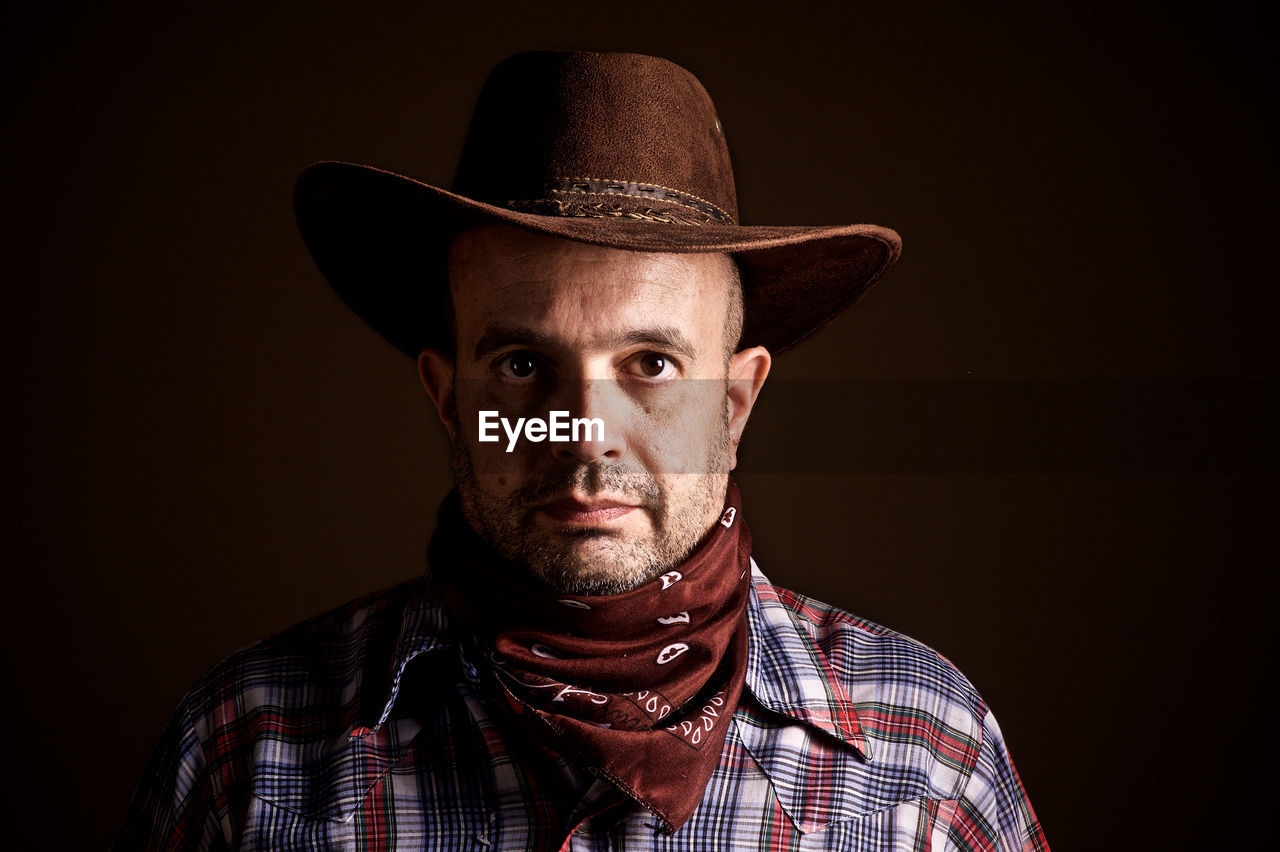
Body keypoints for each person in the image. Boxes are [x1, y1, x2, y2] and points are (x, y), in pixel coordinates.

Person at [115, 51, 1048, 851]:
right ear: (449, 398)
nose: (585, 430)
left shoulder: (925, 748)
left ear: (732, 400)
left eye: (650, 363)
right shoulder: (248, 744)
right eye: (522, 364)